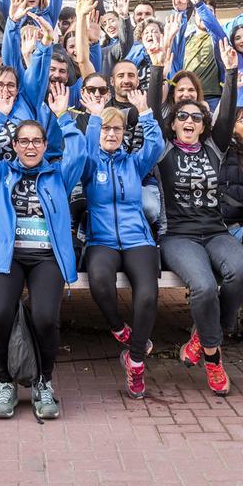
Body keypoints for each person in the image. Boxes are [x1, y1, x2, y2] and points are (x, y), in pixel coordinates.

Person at [0, 82, 87, 421]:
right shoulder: (3, 172)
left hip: (45, 258)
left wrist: (63, 118)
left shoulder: (57, 174)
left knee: (45, 319)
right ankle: (5, 383)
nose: (30, 146)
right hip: (7, 257)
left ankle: (43, 382)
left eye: (36, 141)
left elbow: (79, 152)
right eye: (23, 141)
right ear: (14, 145)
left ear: (44, 145)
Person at [156, 40, 243, 396]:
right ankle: (213, 358)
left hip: (215, 231)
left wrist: (230, 71)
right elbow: (156, 108)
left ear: (203, 125)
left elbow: (226, 115)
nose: (189, 120)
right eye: (182, 115)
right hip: (178, 236)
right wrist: (157, 68)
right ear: (174, 121)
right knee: (204, 286)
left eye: (197, 117)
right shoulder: (163, 148)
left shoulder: (214, 146)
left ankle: (201, 338)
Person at [76, 87, 164, 398]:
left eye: (116, 128)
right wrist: (94, 118)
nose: (111, 133)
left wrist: (147, 113)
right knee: (100, 282)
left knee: (147, 296)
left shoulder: (133, 163)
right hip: (102, 240)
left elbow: (156, 146)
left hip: (137, 239)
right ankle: (120, 330)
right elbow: (85, 150)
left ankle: (136, 360)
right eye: (106, 128)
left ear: (124, 133)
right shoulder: (90, 164)